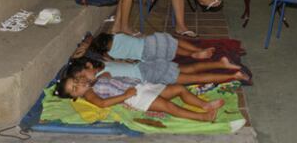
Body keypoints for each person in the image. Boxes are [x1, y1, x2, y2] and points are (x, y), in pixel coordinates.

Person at [54, 64, 225, 122]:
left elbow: (108, 75)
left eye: (76, 81)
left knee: (179, 89)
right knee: (168, 106)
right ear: (75, 97)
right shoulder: (89, 94)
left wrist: (100, 76)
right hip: (136, 97)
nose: (80, 84)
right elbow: (103, 103)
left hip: (142, 86)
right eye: (75, 89)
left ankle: (204, 105)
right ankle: (202, 117)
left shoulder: (94, 81)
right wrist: (125, 96)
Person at [60, 56, 248, 87]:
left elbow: (104, 81)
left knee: (193, 78)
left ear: (89, 67)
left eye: (84, 77)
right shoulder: (104, 64)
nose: (85, 81)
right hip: (148, 66)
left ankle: (233, 75)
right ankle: (222, 63)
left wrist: (89, 84)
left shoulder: (102, 75)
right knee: (190, 69)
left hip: (151, 73)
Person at [73, 31, 215, 62]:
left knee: (171, 49)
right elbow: (136, 37)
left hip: (146, 56)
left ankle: (194, 54)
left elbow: (114, 61)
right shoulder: (119, 36)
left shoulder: (112, 54)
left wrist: (86, 49)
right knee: (173, 42)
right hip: (148, 43)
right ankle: (195, 51)